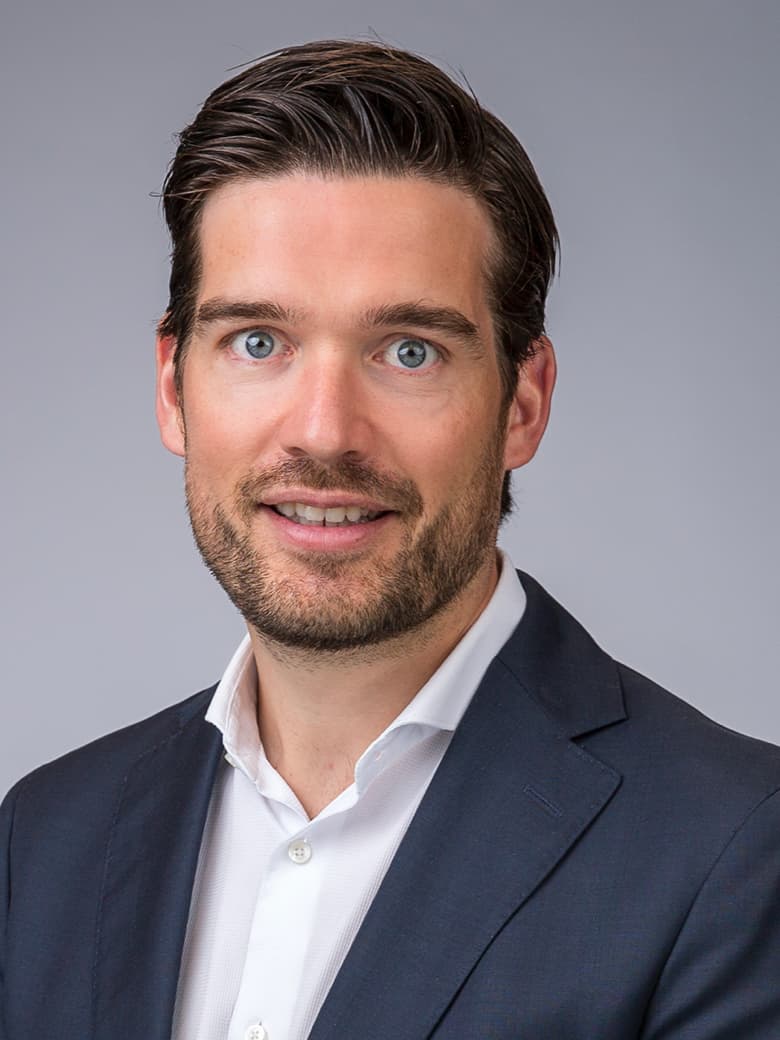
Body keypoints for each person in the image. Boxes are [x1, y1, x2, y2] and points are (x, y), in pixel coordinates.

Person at [1, 38, 779, 1040]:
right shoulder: (46, 838)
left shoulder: (738, 851)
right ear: (173, 387)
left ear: (523, 403)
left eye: (408, 350)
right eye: (257, 341)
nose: (323, 429)